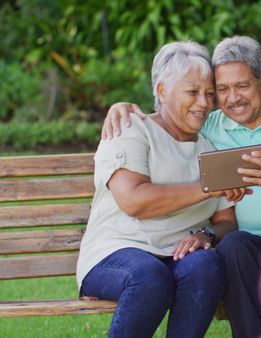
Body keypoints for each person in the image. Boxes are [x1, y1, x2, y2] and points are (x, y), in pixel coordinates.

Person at [102, 35, 261, 338]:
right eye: (222, 90)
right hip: (250, 251)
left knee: (231, 250)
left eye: (242, 86)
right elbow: (168, 118)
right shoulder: (211, 125)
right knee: (234, 245)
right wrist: (121, 109)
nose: (232, 98)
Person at [77, 40, 249, 338]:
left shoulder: (208, 148)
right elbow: (134, 200)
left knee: (207, 266)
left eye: (209, 94)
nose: (204, 103)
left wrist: (206, 235)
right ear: (162, 91)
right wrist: (208, 188)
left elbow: (226, 222)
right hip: (117, 254)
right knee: (149, 276)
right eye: (192, 92)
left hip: (177, 259)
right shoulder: (130, 129)